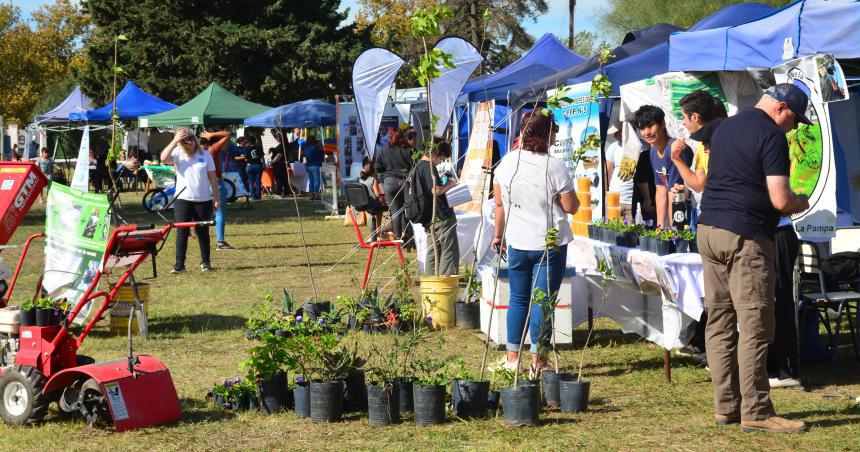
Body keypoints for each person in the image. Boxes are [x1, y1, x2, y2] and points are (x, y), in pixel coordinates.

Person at [698, 83, 811, 433]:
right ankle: (757, 412)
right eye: (794, 119)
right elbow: (780, 200)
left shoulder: (727, 126)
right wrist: (802, 201)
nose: (792, 128)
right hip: (744, 236)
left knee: (718, 321)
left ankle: (726, 406)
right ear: (781, 108)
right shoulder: (772, 135)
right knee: (755, 324)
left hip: (709, 230)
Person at [492, 112, 579, 376]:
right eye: (553, 130)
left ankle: (511, 358)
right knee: (543, 302)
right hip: (548, 243)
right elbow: (571, 206)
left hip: (517, 241)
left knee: (517, 299)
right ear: (545, 133)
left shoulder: (506, 163)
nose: (555, 136)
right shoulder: (554, 165)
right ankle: (538, 360)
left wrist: (498, 236)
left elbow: (499, 205)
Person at [160, 128, 219, 273]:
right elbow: (163, 158)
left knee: (202, 232)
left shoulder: (205, 155)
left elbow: (213, 178)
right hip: (183, 199)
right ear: (181, 142)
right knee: (182, 232)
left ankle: (206, 262)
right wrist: (174, 140)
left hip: (203, 199)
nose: (190, 141)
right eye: (185, 139)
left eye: (191, 137)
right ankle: (179, 265)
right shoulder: (177, 154)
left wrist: (216, 198)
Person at [670, 91, 729, 229]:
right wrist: (676, 158)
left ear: (696, 117)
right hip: (707, 216)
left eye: (684, 117)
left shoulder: (729, 142)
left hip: (728, 218)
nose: (683, 122)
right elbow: (698, 184)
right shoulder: (702, 147)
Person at [633, 105, 693, 228]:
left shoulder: (676, 149)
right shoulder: (653, 151)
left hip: (690, 210)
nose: (646, 132)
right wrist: (659, 228)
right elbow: (661, 190)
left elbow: (674, 193)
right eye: (642, 128)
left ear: (663, 124)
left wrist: (674, 231)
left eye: (650, 126)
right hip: (677, 206)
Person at [415, 139, 459, 276]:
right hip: (441, 215)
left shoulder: (418, 165)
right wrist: (451, 183)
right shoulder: (428, 167)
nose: (441, 162)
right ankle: (447, 282)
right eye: (442, 158)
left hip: (430, 217)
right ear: (436, 153)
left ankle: (430, 284)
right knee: (448, 252)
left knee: (433, 252)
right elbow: (436, 190)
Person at [375, 129, 414, 243]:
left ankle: (398, 238)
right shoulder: (409, 150)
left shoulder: (383, 150)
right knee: (407, 209)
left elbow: (378, 168)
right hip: (405, 181)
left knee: (395, 211)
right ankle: (407, 234)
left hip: (390, 182)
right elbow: (415, 166)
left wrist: (387, 168)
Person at [201, 129, 235, 251]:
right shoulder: (213, 149)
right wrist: (212, 134)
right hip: (215, 182)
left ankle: (197, 235)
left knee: (203, 212)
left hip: (202, 184)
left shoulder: (197, 152)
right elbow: (228, 134)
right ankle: (220, 242)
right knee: (220, 212)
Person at [604, 122, 634, 224]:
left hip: (632, 202)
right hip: (614, 200)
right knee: (611, 235)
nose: (614, 136)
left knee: (632, 236)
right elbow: (606, 171)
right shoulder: (613, 147)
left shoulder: (641, 147)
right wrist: (607, 193)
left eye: (617, 132)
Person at [303, 135, 325, 200]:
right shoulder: (315, 148)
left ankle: (311, 195)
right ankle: (317, 195)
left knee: (311, 181)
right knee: (316, 181)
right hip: (315, 165)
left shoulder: (306, 147)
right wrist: (320, 145)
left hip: (308, 165)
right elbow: (322, 152)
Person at [244, 135, 265, 200]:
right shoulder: (259, 147)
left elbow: (246, 159)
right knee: (258, 181)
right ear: (255, 140)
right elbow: (262, 157)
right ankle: (258, 196)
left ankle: (253, 196)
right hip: (258, 165)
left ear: (249, 141)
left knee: (251, 182)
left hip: (250, 166)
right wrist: (264, 164)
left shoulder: (246, 148)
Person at [269, 132, 288, 197]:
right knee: (284, 178)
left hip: (279, 164)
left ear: (279, 138)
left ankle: (279, 191)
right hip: (280, 164)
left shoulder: (281, 146)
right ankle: (286, 192)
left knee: (279, 178)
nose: (276, 138)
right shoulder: (282, 145)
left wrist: (271, 162)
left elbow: (279, 156)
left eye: (276, 137)